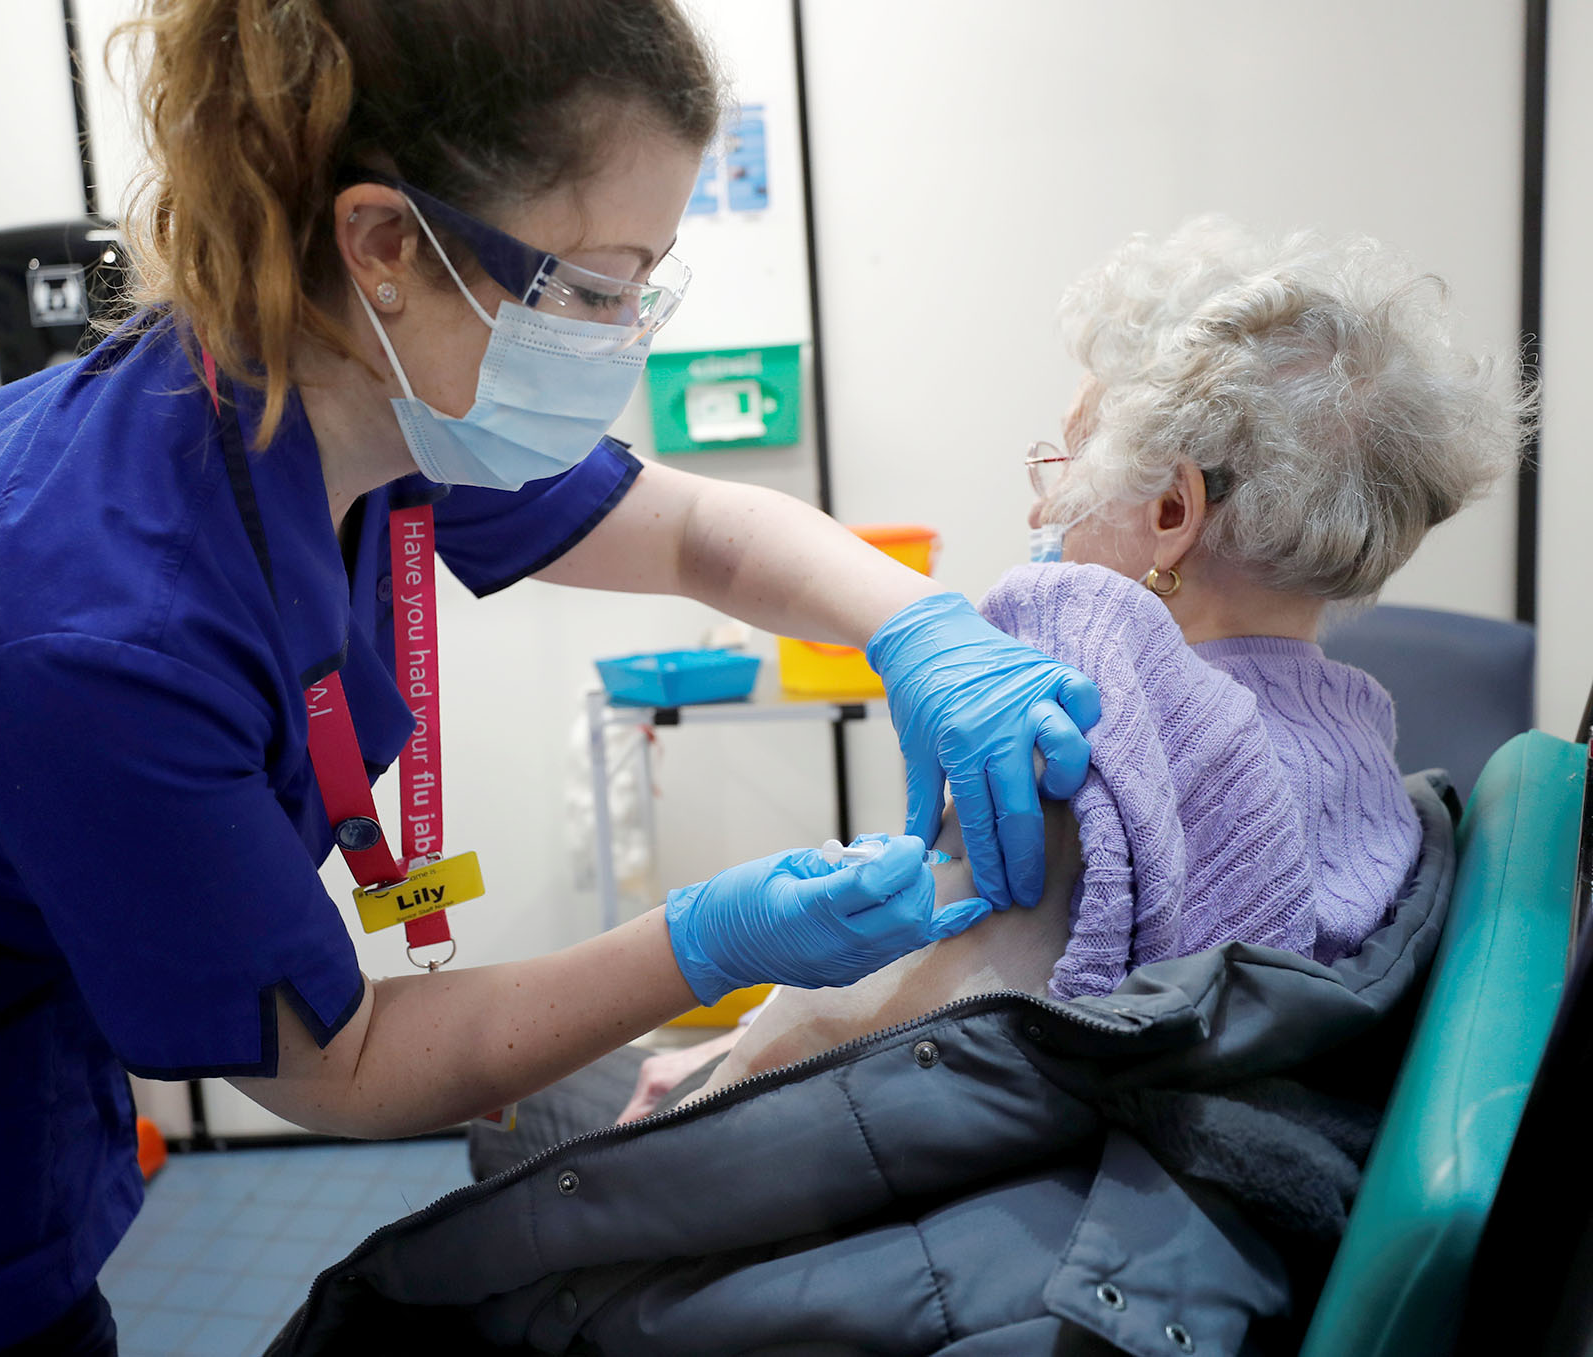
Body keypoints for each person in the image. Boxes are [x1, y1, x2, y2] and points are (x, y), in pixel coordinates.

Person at [0, 3, 1098, 1353]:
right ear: (386, 242)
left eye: (648, 282)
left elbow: (701, 530)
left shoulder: (373, 395)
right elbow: (346, 1068)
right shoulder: (99, 621)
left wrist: (927, 634)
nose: (622, 335)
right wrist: (715, 937)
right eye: (596, 283)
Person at [624, 215, 1525, 1111]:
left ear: (1174, 508)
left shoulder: (1096, 754)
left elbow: (832, 1071)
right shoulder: (1360, 758)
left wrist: (704, 1076)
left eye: (1067, 460)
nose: (1042, 509)